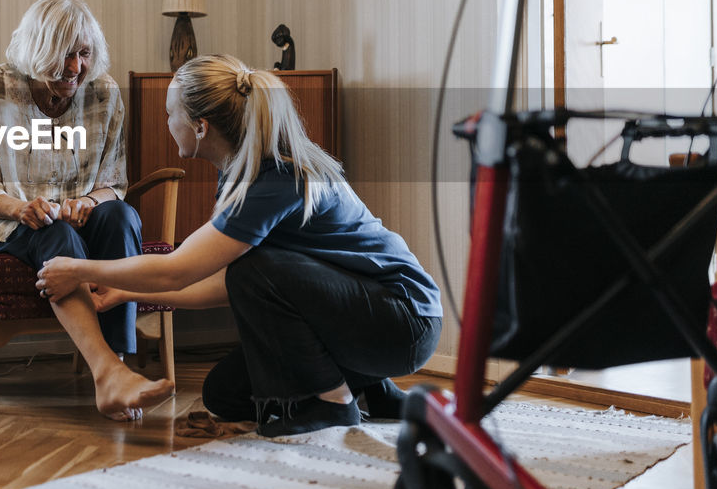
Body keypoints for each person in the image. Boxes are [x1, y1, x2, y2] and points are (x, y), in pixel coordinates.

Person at [37, 54, 442, 437]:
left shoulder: (272, 177)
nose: (167, 122)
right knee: (224, 394)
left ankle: (334, 404)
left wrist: (79, 269)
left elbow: (179, 269)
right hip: (372, 317)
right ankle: (373, 391)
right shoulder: (242, 171)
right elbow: (228, 283)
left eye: (170, 113)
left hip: (403, 321)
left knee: (254, 269)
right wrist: (126, 290)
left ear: (200, 126)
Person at [0, 0, 173, 420]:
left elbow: (115, 184)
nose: (74, 69)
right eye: (62, 55)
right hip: (6, 227)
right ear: (37, 52)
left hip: (79, 221)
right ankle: (107, 372)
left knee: (121, 215)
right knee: (55, 231)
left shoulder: (105, 93)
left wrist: (89, 201)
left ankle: (119, 369)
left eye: (83, 54)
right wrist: (20, 208)